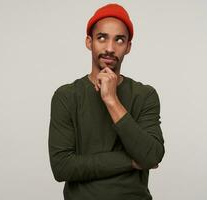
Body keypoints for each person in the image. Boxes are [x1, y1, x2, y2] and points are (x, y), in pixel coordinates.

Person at [48, 3, 165, 200]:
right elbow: (62, 167)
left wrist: (111, 100)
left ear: (128, 47)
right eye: (102, 38)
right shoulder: (66, 96)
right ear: (89, 42)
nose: (110, 48)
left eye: (119, 40)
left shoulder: (145, 95)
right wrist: (131, 161)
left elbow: (152, 156)